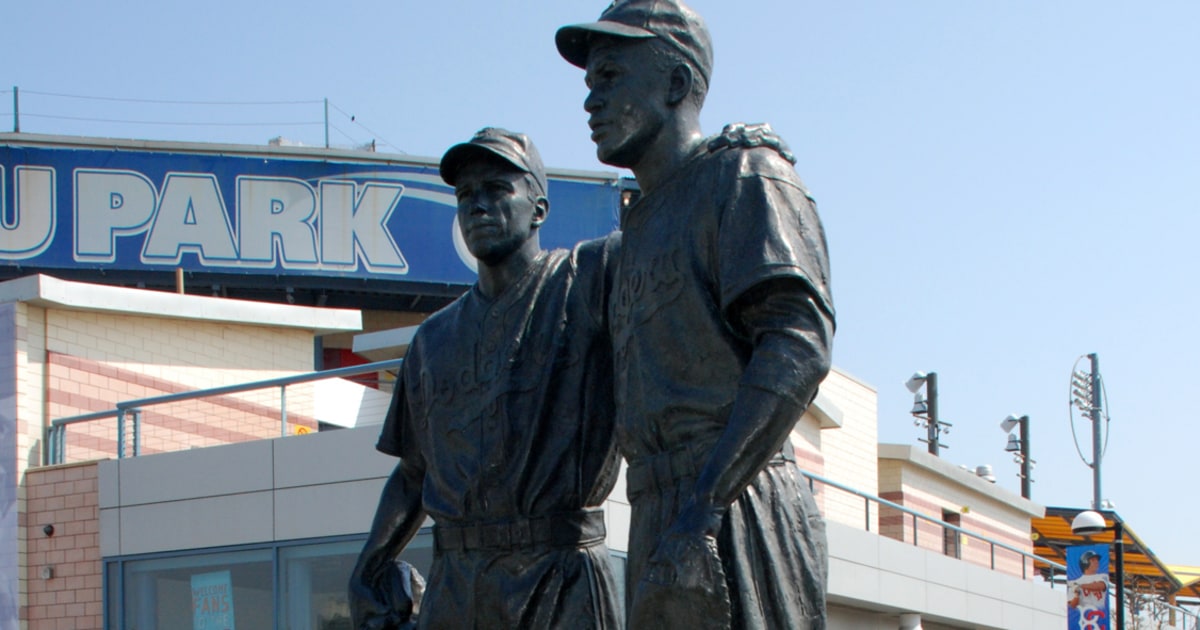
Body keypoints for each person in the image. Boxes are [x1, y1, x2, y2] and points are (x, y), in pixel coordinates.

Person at [556, 1, 835, 628]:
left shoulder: (746, 174)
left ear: (677, 84)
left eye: (610, 77)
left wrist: (706, 502)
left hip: (734, 499)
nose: (590, 101)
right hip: (661, 505)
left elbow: (798, 342)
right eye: (588, 83)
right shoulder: (633, 233)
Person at [348, 127, 622, 630]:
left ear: (538, 208)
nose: (477, 206)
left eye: (496, 189)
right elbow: (413, 473)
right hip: (458, 583)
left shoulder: (588, 280)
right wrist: (370, 565)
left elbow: (667, 234)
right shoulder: (432, 340)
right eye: (465, 195)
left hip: (558, 573)